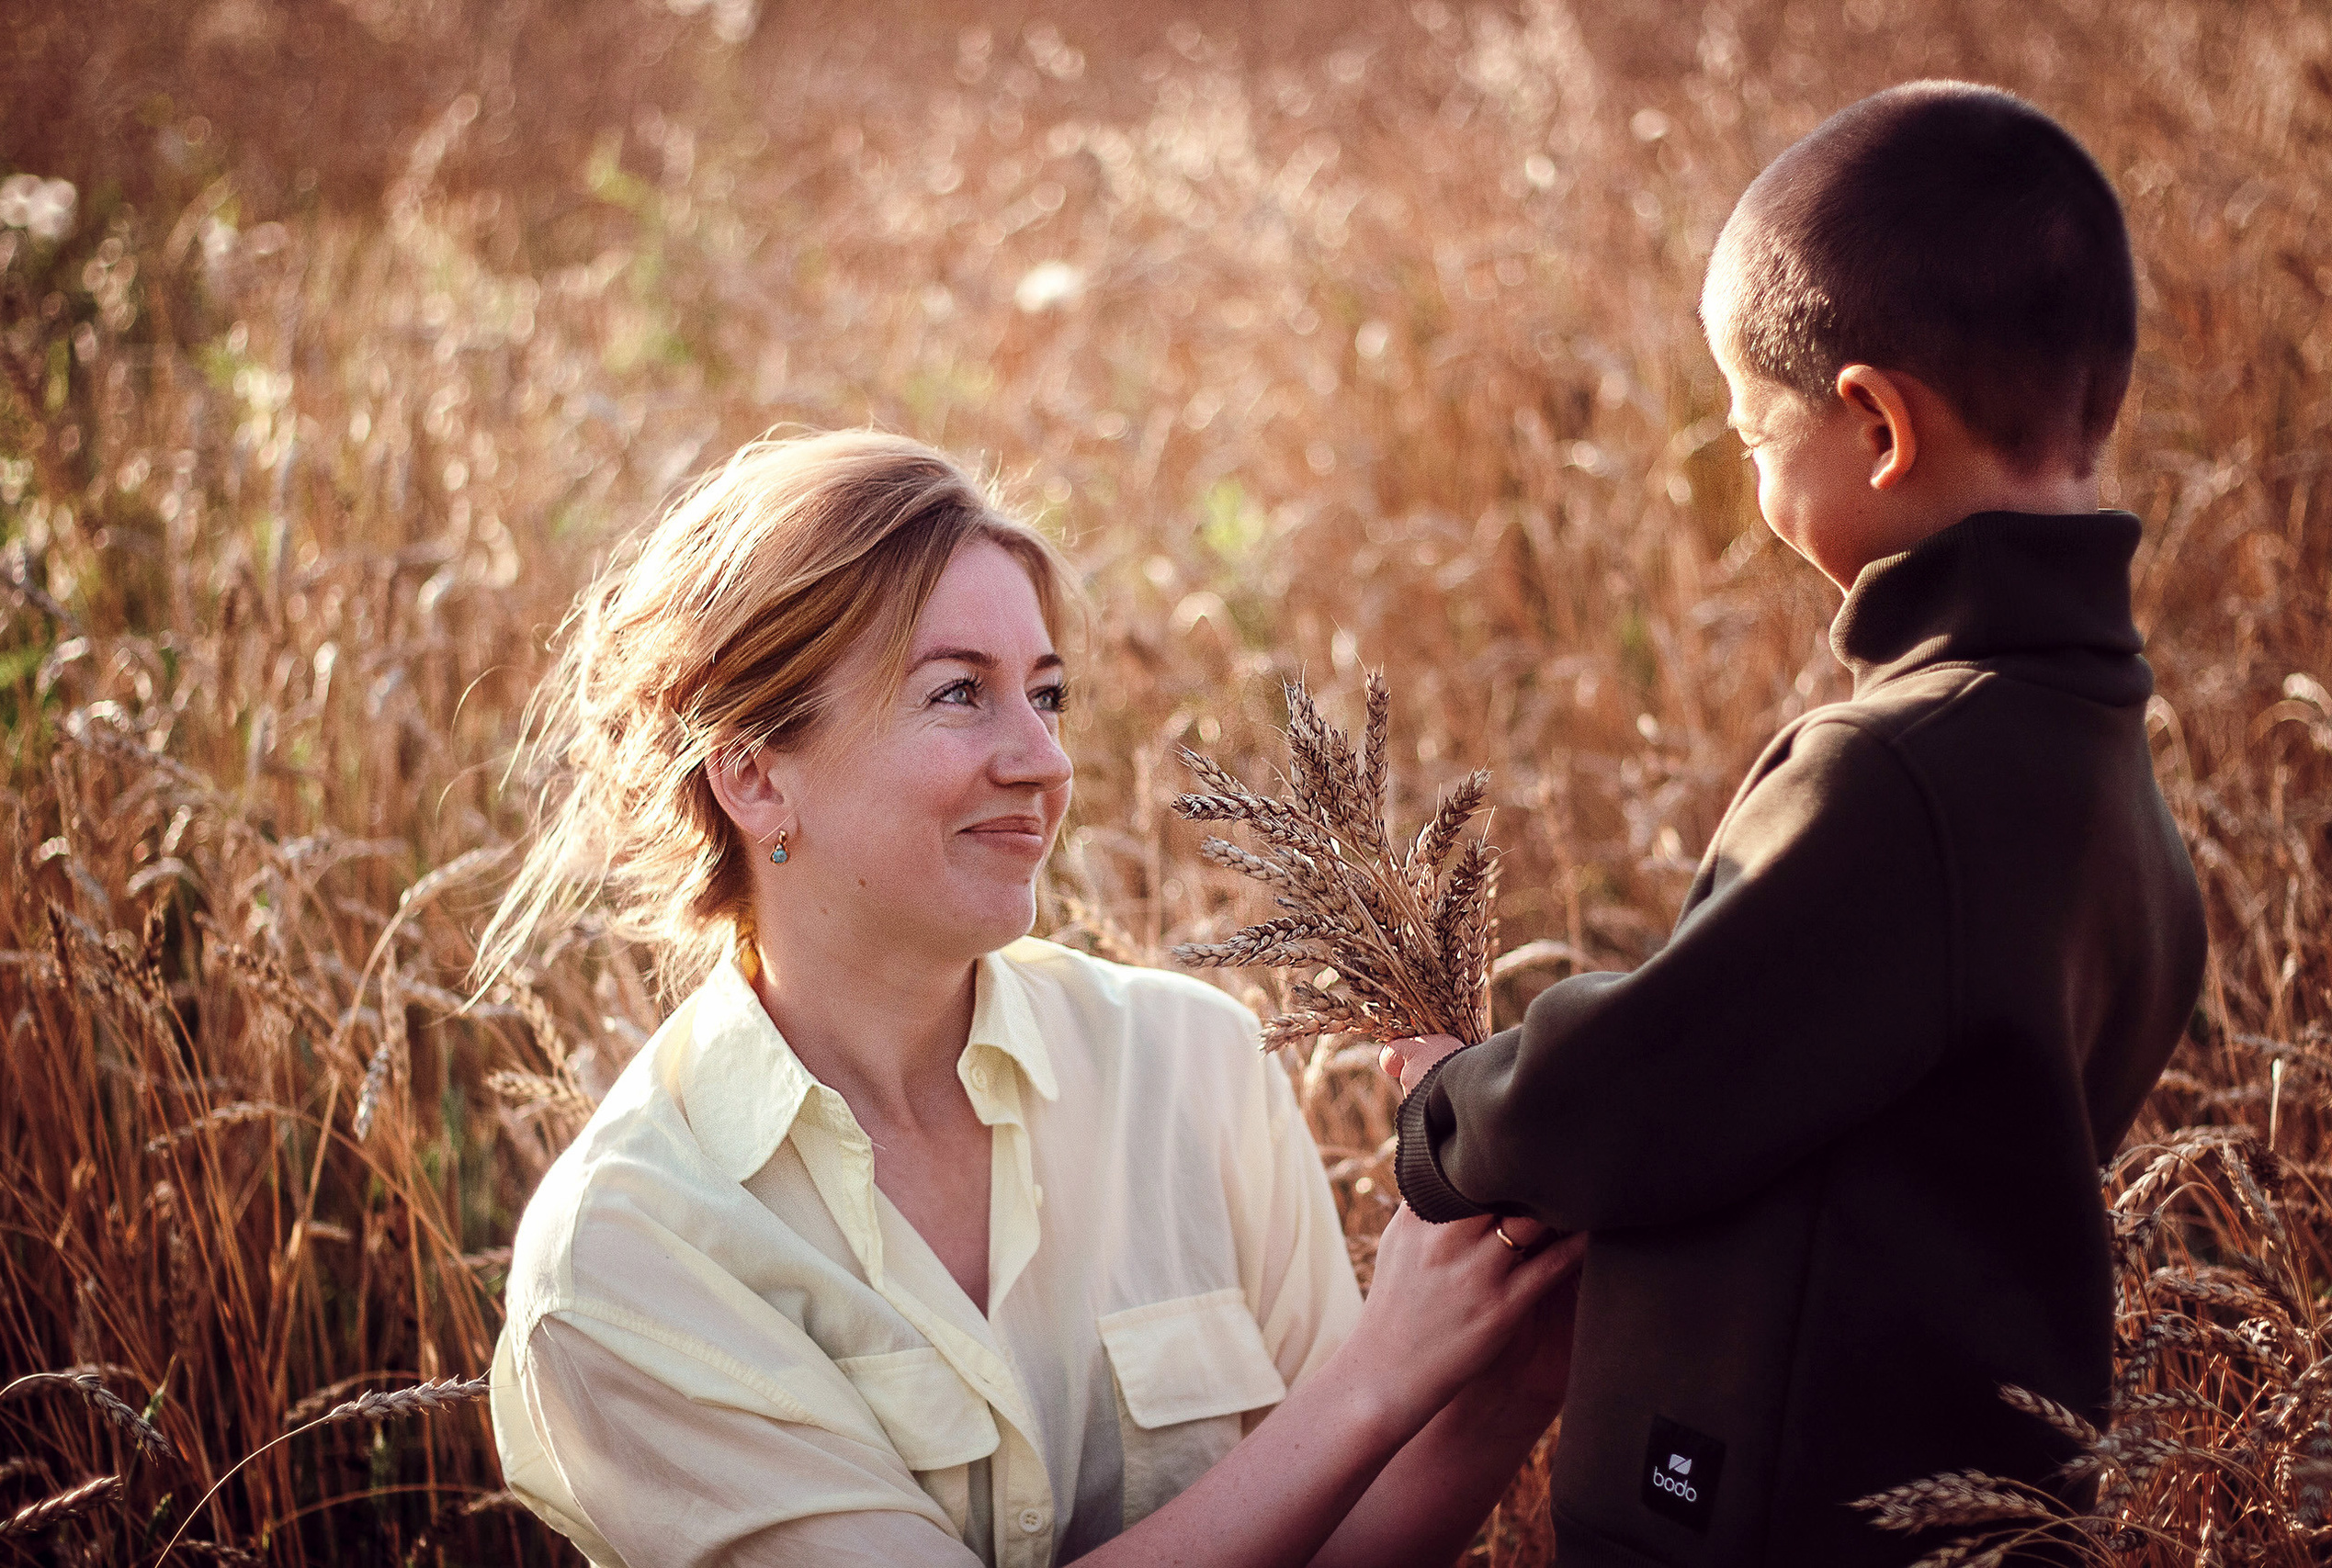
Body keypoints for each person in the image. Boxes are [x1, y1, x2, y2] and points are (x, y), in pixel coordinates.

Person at [478, 429, 1584, 1568]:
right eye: (959, 693)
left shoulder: (1193, 1065)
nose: (1046, 761)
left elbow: (1337, 1546)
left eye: (1046, 696)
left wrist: (1509, 1380)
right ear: (754, 772)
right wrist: (1373, 1382)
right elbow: (1336, 1423)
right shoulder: (630, 1250)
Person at [1382, 82, 2208, 1567]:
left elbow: (1642, 1085)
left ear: (1876, 425)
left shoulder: (1898, 772)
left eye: (1756, 436)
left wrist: (1450, 1116)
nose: (1757, 480)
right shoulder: (2116, 791)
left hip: (1760, 1523)